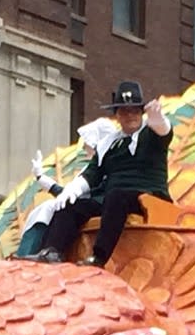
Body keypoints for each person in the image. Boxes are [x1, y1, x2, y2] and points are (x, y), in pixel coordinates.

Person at [34, 81, 172, 268]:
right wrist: (71, 191)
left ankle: (99, 258)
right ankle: (51, 252)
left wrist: (159, 121)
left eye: (135, 111)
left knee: (116, 196)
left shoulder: (150, 135)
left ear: (142, 113)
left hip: (146, 196)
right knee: (71, 206)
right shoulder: (109, 144)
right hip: (113, 202)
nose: (130, 115)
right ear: (117, 115)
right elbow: (92, 174)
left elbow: (164, 133)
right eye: (124, 111)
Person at [18, 118, 121, 258]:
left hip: (106, 204)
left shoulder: (106, 163)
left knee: (62, 208)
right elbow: (71, 193)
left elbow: (79, 194)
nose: (85, 149)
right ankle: (39, 251)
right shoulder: (94, 165)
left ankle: (48, 251)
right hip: (97, 202)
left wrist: (44, 181)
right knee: (51, 207)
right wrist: (41, 178)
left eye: (88, 144)